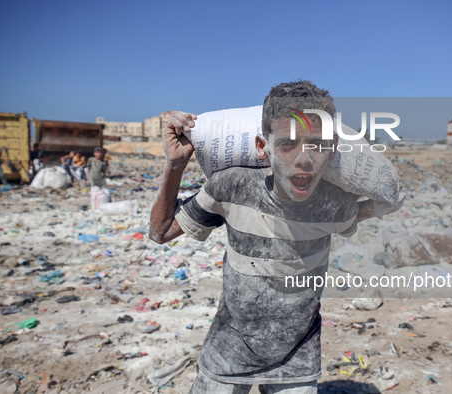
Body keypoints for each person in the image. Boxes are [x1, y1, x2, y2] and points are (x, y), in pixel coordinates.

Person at [150, 81, 384, 393]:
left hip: (296, 357)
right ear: (263, 147)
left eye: (317, 145)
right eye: (287, 144)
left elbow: (385, 198)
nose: (304, 159)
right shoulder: (231, 187)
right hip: (229, 350)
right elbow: (160, 231)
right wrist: (176, 164)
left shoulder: (336, 204)